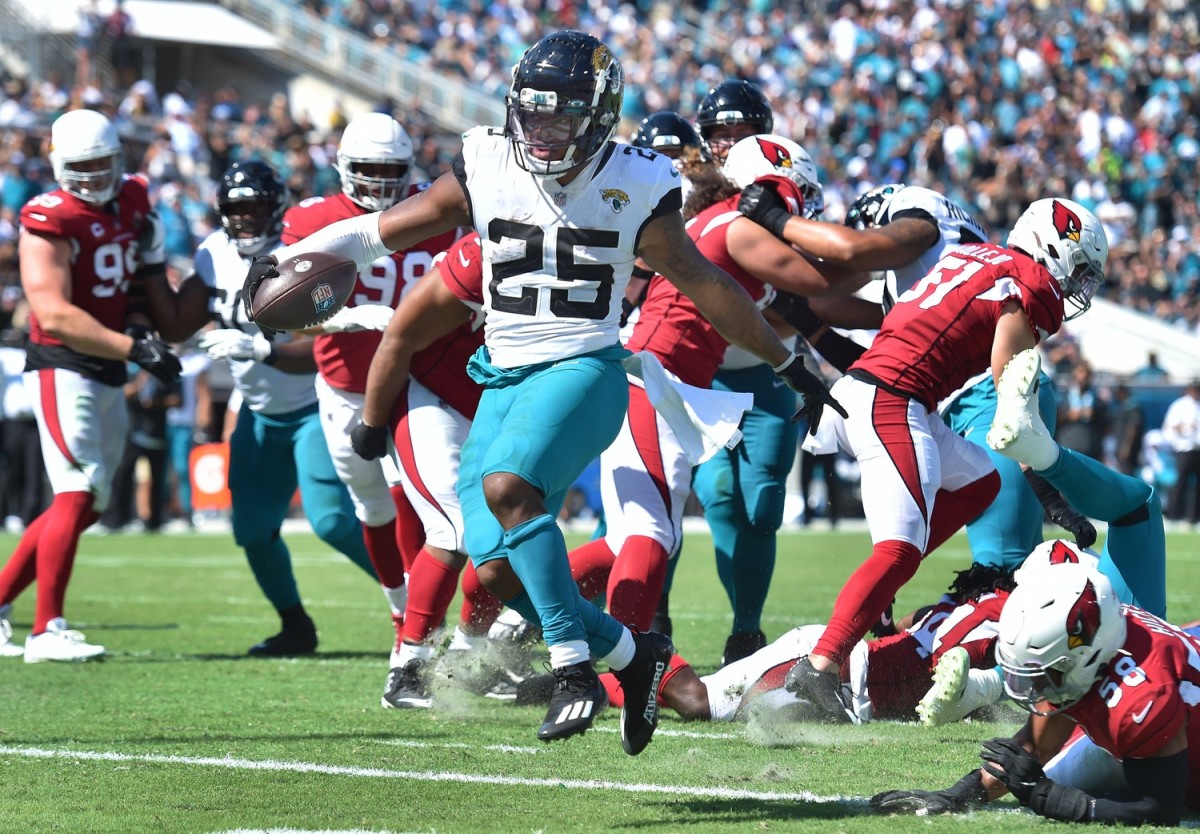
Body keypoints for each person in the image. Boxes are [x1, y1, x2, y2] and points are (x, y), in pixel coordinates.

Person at [252, 30, 840, 753]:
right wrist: (290, 258)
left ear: (597, 118)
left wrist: (787, 362)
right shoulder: (487, 161)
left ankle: (574, 670)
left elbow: (707, 285)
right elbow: (379, 232)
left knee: (506, 487)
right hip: (501, 378)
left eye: (560, 117)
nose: (542, 131)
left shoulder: (639, 181)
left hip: (583, 369)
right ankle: (635, 654)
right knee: (493, 564)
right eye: (531, 114)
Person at [782, 198, 1110, 722]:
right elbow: (1011, 399)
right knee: (899, 550)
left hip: (874, 388)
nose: (1077, 289)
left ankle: (880, 591)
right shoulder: (1027, 286)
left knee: (980, 484)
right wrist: (1047, 486)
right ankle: (821, 665)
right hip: (893, 399)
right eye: (1080, 272)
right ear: (1054, 250)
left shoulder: (975, 258)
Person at [742, 181, 1096, 572]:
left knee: (1001, 565)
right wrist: (801, 319)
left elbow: (853, 250)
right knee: (1003, 568)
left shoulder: (919, 211)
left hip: (988, 396)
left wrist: (775, 219)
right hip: (947, 403)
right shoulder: (951, 267)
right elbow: (888, 369)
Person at [149, 159, 379, 655]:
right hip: (257, 410)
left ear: (276, 208)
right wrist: (146, 275)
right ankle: (295, 625)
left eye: (255, 207)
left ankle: (415, 602)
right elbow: (177, 324)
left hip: (312, 405)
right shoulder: (212, 253)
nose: (246, 218)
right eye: (236, 208)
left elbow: (319, 351)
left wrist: (260, 348)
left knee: (333, 522)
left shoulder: (301, 253)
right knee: (252, 531)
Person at [280, 112, 457, 694]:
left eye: (391, 171)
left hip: (414, 380)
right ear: (341, 169)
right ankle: (399, 609)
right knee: (373, 510)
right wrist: (350, 316)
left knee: (417, 498)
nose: (381, 184)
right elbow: (278, 304)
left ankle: (414, 633)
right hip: (342, 385)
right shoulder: (314, 220)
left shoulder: (431, 213)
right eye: (369, 171)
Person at [0, 109, 181, 661]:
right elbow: (52, 312)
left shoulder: (132, 199)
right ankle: (46, 629)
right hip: (64, 363)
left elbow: (124, 286)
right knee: (77, 491)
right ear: (58, 165)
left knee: (89, 503)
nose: (95, 176)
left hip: (106, 366)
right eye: (83, 166)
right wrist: (135, 347)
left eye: (104, 163)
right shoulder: (48, 216)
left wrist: (135, 326)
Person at [916, 347, 1167, 725]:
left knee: (1138, 508)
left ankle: (1046, 454)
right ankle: (984, 685)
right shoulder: (1140, 703)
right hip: (1122, 667)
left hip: (1108, 655)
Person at [873, 561, 1196, 826]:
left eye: (1045, 672)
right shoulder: (1096, 642)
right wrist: (960, 794)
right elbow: (1036, 746)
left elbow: (1160, 808)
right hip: (1164, 721)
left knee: (1063, 782)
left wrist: (1058, 800)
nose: (1037, 687)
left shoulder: (1141, 698)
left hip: (1183, 766)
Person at [595, 561, 1017, 725]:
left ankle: (600, 688)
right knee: (697, 702)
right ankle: (627, 646)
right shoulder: (1009, 618)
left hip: (852, 683)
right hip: (824, 663)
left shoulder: (954, 607)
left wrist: (888, 623)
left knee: (766, 715)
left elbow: (902, 633)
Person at [694, 80, 774, 165]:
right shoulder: (689, 177)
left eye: (744, 136)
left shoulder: (780, 176)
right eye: (723, 136)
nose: (733, 145)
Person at [1162, 379, 1200, 527]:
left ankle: (1195, 515)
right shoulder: (1180, 405)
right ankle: (1175, 514)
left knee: (1198, 485)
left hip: (1198, 449)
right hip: (1184, 448)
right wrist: (1185, 427)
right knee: (1181, 482)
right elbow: (1170, 426)